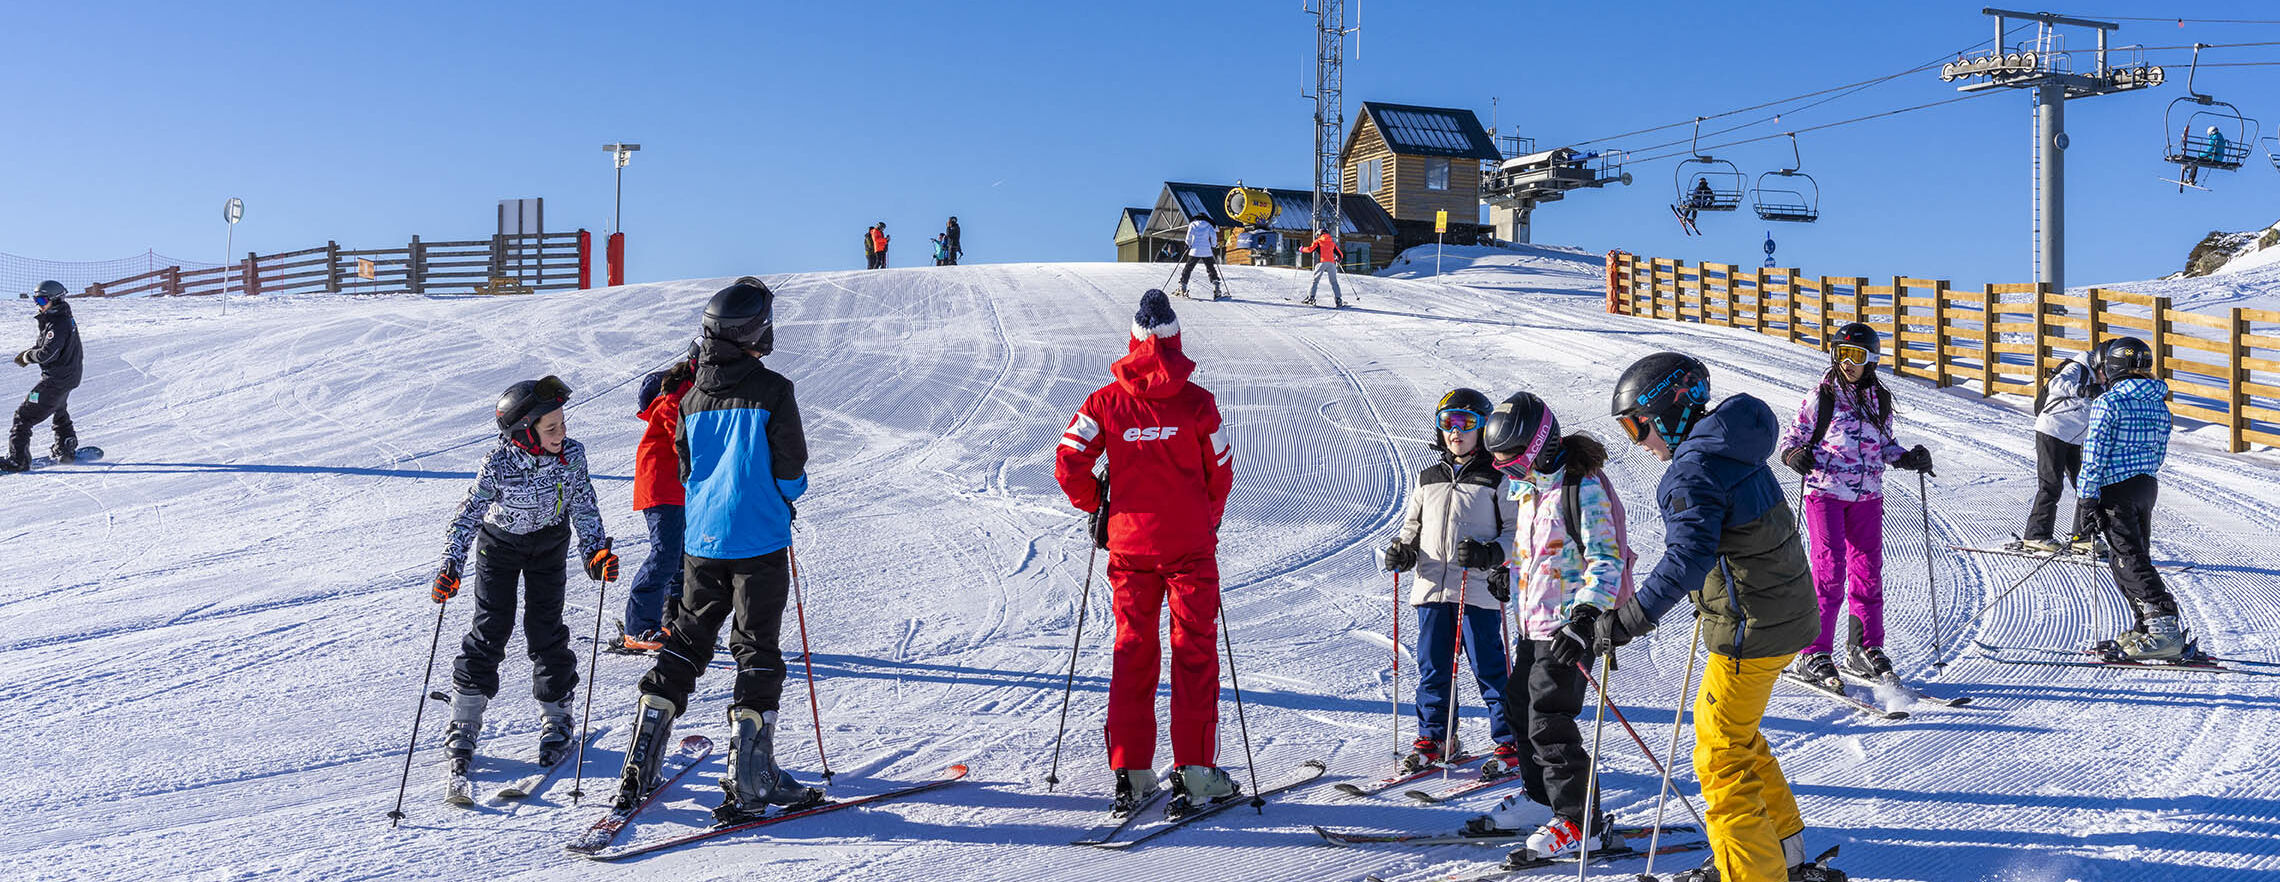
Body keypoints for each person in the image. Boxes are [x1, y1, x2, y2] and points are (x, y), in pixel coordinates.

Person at [1590, 352, 1845, 882]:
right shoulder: (1731, 445)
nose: (1640, 443)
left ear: (1666, 411)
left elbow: (1688, 557)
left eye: (1639, 427)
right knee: (1738, 738)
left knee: (1719, 756)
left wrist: (1626, 620)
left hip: (1752, 628)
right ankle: (1783, 858)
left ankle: (1755, 875)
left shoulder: (1694, 468)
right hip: (1783, 615)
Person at [612, 277, 815, 822]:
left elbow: (685, 465)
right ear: (756, 333)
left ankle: (642, 758)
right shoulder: (774, 390)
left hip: (703, 541)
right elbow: (790, 465)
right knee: (755, 648)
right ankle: (750, 777)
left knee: (687, 638)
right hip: (759, 539)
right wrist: (784, 499)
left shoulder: (693, 396)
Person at [1054, 288, 1236, 815]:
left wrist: (1099, 508)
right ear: (1175, 341)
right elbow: (1220, 470)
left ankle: (1132, 774)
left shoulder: (1105, 401)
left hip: (1130, 548)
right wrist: (1206, 521)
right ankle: (1197, 772)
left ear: (1133, 342)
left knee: (1133, 651)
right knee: (1194, 651)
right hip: (1189, 549)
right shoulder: (1198, 403)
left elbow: (1068, 460)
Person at [1476, 391, 1639, 863]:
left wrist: (1586, 618)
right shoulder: (1533, 487)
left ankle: (1579, 820)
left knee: (1550, 720)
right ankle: (1540, 799)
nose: (1508, 473)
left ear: (1539, 446)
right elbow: (1537, 547)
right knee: (1519, 706)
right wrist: (1508, 569)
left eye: (1511, 464)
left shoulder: (1582, 487)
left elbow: (1605, 558)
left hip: (1570, 628)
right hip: (1535, 623)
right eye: (1501, 467)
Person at [431, 375, 618, 778]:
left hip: (548, 545)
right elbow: (468, 514)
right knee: (490, 628)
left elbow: (584, 506)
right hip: (499, 547)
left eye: (563, 424)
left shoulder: (573, 456)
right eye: (551, 428)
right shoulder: (498, 464)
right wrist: (451, 565)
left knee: (545, 628)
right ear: (524, 432)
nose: (561, 433)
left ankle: (557, 717)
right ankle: (464, 720)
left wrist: (595, 553)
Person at [1775, 323, 1933, 687]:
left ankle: (1863, 648)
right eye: (1841, 353)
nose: (1848, 362)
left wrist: (1908, 458)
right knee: (1829, 573)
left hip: (1866, 496)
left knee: (1868, 572)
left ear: (1871, 361)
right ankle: (1812, 652)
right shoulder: (1822, 396)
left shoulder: (1880, 400)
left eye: (1856, 356)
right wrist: (1793, 455)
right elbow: (1793, 436)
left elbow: (1885, 445)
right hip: (1825, 493)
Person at [1380, 389, 1517, 775]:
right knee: (1434, 667)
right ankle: (1437, 737)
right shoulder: (1428, 478)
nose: (1456, 431)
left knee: (1489, 667)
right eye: (1448, 422)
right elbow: (1412, 526)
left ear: (1484, 430)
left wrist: (1491, 555)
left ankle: (1510, 742)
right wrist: (1404, 550)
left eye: (1466, 423)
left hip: (1476, 588)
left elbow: (1514, 530)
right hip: (1431, 586)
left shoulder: (1497, 478)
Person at [2078, 336, 2186, 660]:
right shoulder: (2158, 403)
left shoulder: (2108, 403)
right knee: (2127, 557)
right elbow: (2159, 450)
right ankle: (2145, 626)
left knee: (2129, 560)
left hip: (2116, 490)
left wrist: (2086, 500)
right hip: (2145, 486)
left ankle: (2165, 630)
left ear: (2112, 367)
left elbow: (2093, 455)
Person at [613, 341, 699, 653]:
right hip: (663, 490)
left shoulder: (686, 397)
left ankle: (671, 622)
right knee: (665, 556)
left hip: (679, 490)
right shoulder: (673, 402)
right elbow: (685, 443)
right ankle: (638, 627)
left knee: (681, 558)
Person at [2014, 346, 2101, 554]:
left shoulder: (2105, 380)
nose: (2106, 379)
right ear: (2099, 365)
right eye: (2105, 373)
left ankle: (2082, 537)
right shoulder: (2077, 368)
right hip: (2052, 431)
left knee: (2085, 486)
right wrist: (2083, 390)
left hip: (2076, 438)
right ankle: (2036, 535)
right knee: (2051, 485)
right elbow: (2057, 384)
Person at [5, 281, 82, 472]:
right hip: (67, 377)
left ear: (54, 300)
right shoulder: (62, 318)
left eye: (41, 299)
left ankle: (18, 460)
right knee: (58, 408)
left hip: (55, 379)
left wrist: (27, 356)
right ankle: (65, 447)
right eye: (35, 299)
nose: (37, 304)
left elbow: (48, 352)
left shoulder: (57, 323)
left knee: (23, 415)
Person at [1176, 216, 1223, 300]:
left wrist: (1188, 244)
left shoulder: (1192, 224)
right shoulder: (1209, 225)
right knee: (1211, 269)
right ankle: (1216, 287)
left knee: (1188, 268)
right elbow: (1213, 236)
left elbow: (1189, 236)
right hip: (1206, 250)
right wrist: (1213, 245)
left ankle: (1183, 286)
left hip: (1195, 250)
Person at [1298, 229, 1344, 308]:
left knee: (1315, 280)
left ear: (1319, 234)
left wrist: (1302, 249)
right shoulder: (1331, 242)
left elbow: (1310, 250)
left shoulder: (1318, 241)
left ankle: (1311, 297)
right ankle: (1338, 299)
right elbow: (1340, 254)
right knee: (1333, 282)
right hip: (1331, 263)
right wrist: (1338, 259)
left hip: (1321, 262)